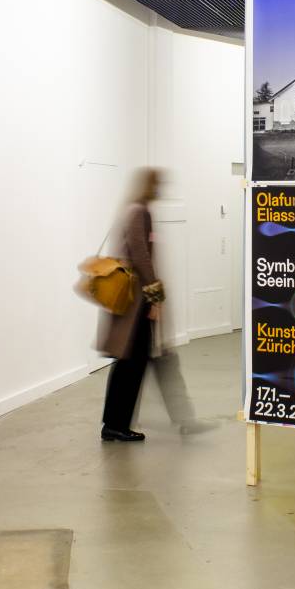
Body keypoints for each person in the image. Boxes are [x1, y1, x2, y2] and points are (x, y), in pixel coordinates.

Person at [98, 168, 164, 441]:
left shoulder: (131, 209)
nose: (161, 189)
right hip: (136, 301)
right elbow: (141, 255)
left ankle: (114, 424)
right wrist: (155, 296)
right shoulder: (139, 211)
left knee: (128, 362)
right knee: (132, 363)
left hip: (131, 298)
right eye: (158, 184)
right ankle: (116, 425)